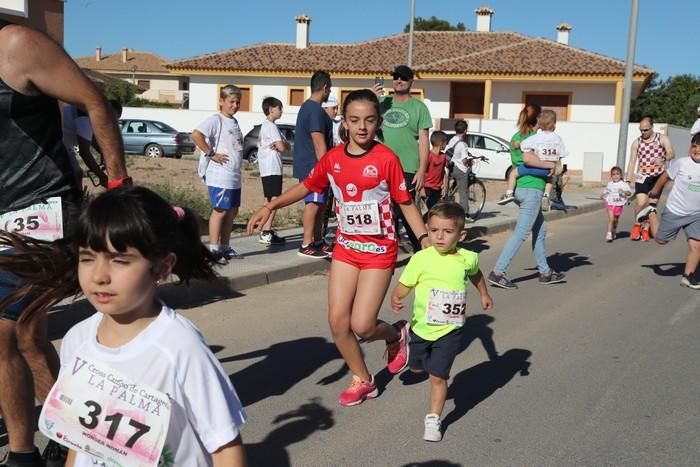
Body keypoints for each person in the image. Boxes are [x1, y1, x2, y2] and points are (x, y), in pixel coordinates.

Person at [0, 187, 248, 466]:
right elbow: (79, 441)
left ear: (163, 266)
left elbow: (226, 448)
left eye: (120, 260)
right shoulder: (76, 340)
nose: (99, 275)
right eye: (87, 258)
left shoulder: (181, 346)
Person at [0, 19, 129, 466]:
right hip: (0, 222)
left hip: (41, 213)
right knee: (30, 338)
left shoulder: (17, 45)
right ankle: (68, 427)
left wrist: (119, 188)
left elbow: (95, 102)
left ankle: (22, 454)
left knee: (4, 333)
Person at [248, 89, 430, 406]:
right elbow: (307, 186)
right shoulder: (333, 160)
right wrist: (272, 206)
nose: (362, 127)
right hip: (346, 248)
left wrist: (425, 242)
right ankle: (363, 378)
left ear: (378, 122)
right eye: (355, 120)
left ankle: (394, 335)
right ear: (344, 121)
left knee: (362, 324)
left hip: (379, 250)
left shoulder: (386, 159)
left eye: (369, 120)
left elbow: (406, 203)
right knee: (337, 323)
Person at [390, 201, 493, 442]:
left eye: (447, 232)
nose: (439, 237)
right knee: (416, 367)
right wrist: (397, 297)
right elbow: (406, 284)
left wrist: (484, 293)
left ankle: (433, 419)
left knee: (438, 376)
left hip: (450, 329)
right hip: (421, 327)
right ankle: (405, 339)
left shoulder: (468, 258)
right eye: (434, 230)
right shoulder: (421, 259)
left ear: (461, 234)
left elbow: (476, 276)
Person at [487, 110, 566, 290]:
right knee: (521, 233)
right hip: (532, 189)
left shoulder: (526, 138)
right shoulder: (537, 139)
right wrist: (551, 165)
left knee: (541, 228)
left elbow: (522, 161)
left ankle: (545, 272)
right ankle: (498, 272)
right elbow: (528, 159)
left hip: (523, 187)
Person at [375, 65, 432, 253]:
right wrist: (371, 97)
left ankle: (420, 249)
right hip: (382, 167)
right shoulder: (382, 102)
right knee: (385, 211)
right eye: (396, 77)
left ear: (411, 82)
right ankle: (385, 251)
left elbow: (424, 140)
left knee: (404, 209)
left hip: (407, 167)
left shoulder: (419, 107)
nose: (399, 80)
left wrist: (422, 170)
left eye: (404, 78)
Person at [637, 133, 700, 289]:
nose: (697, 150)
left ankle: (688, 276)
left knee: (697, 246)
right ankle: (650, 212)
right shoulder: (682, 163)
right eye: (694, 146)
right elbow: (665, 177)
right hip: (675, 211)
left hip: (696, 214)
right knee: (661, 240)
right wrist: (654, 195)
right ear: (690, 148)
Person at [192, 85, 245, 263]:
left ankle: (225, 246)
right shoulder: (216, 119)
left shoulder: (234, 121)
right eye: (231, 102)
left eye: (237, 102)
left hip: (234, 175)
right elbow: (197, 134)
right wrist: (211, 154)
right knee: (220, 210)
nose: (235, 105)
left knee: (232, 211)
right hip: (221, 174)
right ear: (222, 101)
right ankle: (214, 249)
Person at [293, 71, 334, 259]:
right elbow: (319, 142)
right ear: (325, 88)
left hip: (312, 164)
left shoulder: (307, 108)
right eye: (329, 89)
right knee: (313, 204)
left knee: (320, 204)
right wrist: (326, 169)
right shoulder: (315, 111)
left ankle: (317, 240)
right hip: (313, 166)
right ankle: (306, 243)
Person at [625, 116, 675, 241]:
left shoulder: (662, 138)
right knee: (642, 203)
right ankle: (637, 225)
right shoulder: (637, 142)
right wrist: (628, 180)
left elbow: (671, 153)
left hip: (658, 176)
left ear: (652, 127)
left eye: (646, 130)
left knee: (651, 205)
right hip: (642, 176)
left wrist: (663, 159)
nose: (643, 133)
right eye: (641, 130)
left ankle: (646, 229)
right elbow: (632, 162)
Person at [61, 99, 123, 188]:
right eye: (112, 120)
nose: (111, 124)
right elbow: (84, 152)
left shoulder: (90, 113)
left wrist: (104, 154)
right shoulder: (85, 118)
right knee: (75, 174)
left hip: (62, 144)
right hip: (56, 144)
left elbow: (92, 139)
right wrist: (102, 176)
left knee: (76, 174)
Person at [256, 96, 289, 245]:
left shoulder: (269, 126)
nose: (281, 111)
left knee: (269, 199)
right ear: (271, 109)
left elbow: (286, 144)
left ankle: (265, 229)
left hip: (268, 168)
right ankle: (266, 231)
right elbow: (282, 147)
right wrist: (280, 145)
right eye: (279, 108)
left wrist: (281, 144)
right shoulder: (270, 126)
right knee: (274, 200)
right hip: (272, 167)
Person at [498, 104, 542, 206]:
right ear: (538, 120)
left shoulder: (515, 137)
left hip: (518, 184)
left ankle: (509, 193)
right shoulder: (536, 139)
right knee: (526, 221)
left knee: (537, 221)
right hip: (532, 184)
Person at [601, 166, 632, 242]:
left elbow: (629, 193)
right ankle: (609, 234)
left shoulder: (623, 184)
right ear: (611, 176)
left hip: (619, 204)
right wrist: (602, 194)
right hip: (610, 203)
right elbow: (606, 191)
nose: (615, 176)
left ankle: (614, 230)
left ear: (621, 175)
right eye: (613, 174)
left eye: (617, 174)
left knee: (615, 220)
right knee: (611, 219)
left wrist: (624, 192)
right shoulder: (610, 184)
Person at [424, 131, 449, 213]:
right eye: (446, 143)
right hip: (428, 188)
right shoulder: (429, 156)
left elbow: (444, 173)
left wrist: (445, 187)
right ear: (441, 143)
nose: (446, 145)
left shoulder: (443, 156)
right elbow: (422, 171)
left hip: (437, 189)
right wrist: (421, 190)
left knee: (437, 211)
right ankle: (423, 224)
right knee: (433, 211)